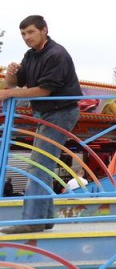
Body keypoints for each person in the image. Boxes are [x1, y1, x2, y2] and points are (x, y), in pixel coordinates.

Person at [0, 16, 83, 234]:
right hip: (47, 113)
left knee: (38, 166)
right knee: (41, 165)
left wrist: (7, 93)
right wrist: (10, 75)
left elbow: (43, 91)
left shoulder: (56, 54)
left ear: (44, 30)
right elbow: (15, 83)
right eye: (23, 34)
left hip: (60, 112)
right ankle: (45, 218)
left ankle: (32, 220)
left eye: (30, 32)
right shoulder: (31, 55)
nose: (27, 37)